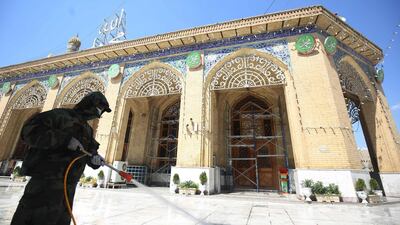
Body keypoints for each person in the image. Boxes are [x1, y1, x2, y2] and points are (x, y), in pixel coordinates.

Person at [11, 91, 111, 225]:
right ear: (89, 105)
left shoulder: (87, 129)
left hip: (67, 192)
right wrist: (64, 140)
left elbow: (88, 152)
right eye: (98, 109)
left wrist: (95, 159)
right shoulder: (60, 115)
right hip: (44, 187)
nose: (98, 114)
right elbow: (29, 131)